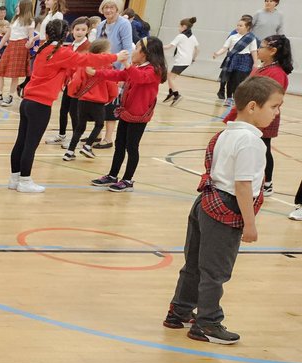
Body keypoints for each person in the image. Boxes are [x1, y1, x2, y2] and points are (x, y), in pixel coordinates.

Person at [165, 76, 283, 344]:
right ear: (252, 106)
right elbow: (243, 185)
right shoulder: (252, 142)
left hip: (205, 203)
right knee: (215, 270)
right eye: (274, 107)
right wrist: (250, 224)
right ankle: (207, 323)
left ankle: (180, 311)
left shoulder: (225, 133)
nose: (276, 114)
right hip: (226, 207)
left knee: (194, 263)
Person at [7, 18, 120, 193]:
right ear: (66, 34)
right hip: (40, 105)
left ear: (46, 33)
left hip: (27, 102)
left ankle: (14, 179)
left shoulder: (44, 49)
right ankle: (25, 180)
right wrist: (116, 57)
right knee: (30, 145)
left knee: (21, 142)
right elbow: (88, 58)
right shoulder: (60, 52)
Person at [89, 36, 167, 193]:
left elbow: (139, 78)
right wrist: (97, 73)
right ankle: (112, 175)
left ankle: (128, 180)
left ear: (145, 52)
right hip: (126, 112)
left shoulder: (153, 70)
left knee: (132, 147)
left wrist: (126, 64)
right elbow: (119, 76)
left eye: (137, 48)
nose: (133, 51)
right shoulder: (137, 67)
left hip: (139, 116)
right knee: (120, 145)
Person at [222, 35, 291, 197]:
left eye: (262, 47)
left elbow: (271, 100)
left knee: (263, 147)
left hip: (262, 117)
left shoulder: (277, 73)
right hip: (250, 115)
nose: (258, 50)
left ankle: (267, 183)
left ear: (273, 51)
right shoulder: (260, 68)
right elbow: (246, 93)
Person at [64, 39, 117, 160]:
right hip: (98, 101)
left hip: (82, 100)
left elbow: (76, 80)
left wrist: (73, 93)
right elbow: (111, 84)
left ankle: (70, 152)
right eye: (109, 51)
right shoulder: (107, 66)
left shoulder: (84, 64)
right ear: (103, 53)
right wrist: (111, 97)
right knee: (99, 124)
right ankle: (87, 146)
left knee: (80, 127)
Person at [45, 16, 90, 148]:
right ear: (72, 30)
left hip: (79, 86)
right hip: (68, 84)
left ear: (87, 31)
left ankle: (75, 139)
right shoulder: (70, 45)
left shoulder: (88, 46)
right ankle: (62, 135)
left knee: (74, 113)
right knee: (63, 110)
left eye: (83, 29)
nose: (79, 32)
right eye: (77, 29)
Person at [94, 0, 132, 150]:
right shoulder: (101, 25)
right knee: (99, 102)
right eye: (106, 7)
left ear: (117, 9)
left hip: (116, 70)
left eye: (112, 7)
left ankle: (108, 138)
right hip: (102, 69)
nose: (108, 10)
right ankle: (96, 134)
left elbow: (127, 48)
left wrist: (124, 73)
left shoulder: (123, 24)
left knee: (112, 104)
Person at [0, 0, 34, 105]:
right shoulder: (14, 19)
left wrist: (30, 44)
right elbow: (7, 35)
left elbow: (31, 37)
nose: (16, 8)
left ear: (24, 7)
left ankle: (10, 96)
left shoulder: (30, 21)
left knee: (15, 74)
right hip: (11, 45)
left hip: (21, 46)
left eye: (18, 6)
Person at [214, 15, 258, 107]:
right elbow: (225, 48)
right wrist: (217, 53)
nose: (238, 27)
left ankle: (236, 98)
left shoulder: (251, 38)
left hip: (245, 60)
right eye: (237, 25)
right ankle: (229, 98)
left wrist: (255, 62)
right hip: (233, 59)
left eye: (241, 26)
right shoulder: (232, 37)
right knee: (231, 80)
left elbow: (253, 51)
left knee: (240, 80)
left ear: (248, 27)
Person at [164, 16, 198, 105]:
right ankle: (171, 93)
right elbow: (198, 49)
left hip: (181, 60)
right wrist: (193, 58)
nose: (178, 28)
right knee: (169, 75)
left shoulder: (181, 36)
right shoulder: (193, 37)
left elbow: (169, 46)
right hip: (186, 61)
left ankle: (176, 95)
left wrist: (157, 46)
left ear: (184, 27)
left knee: (171, 78)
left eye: (179, 26)